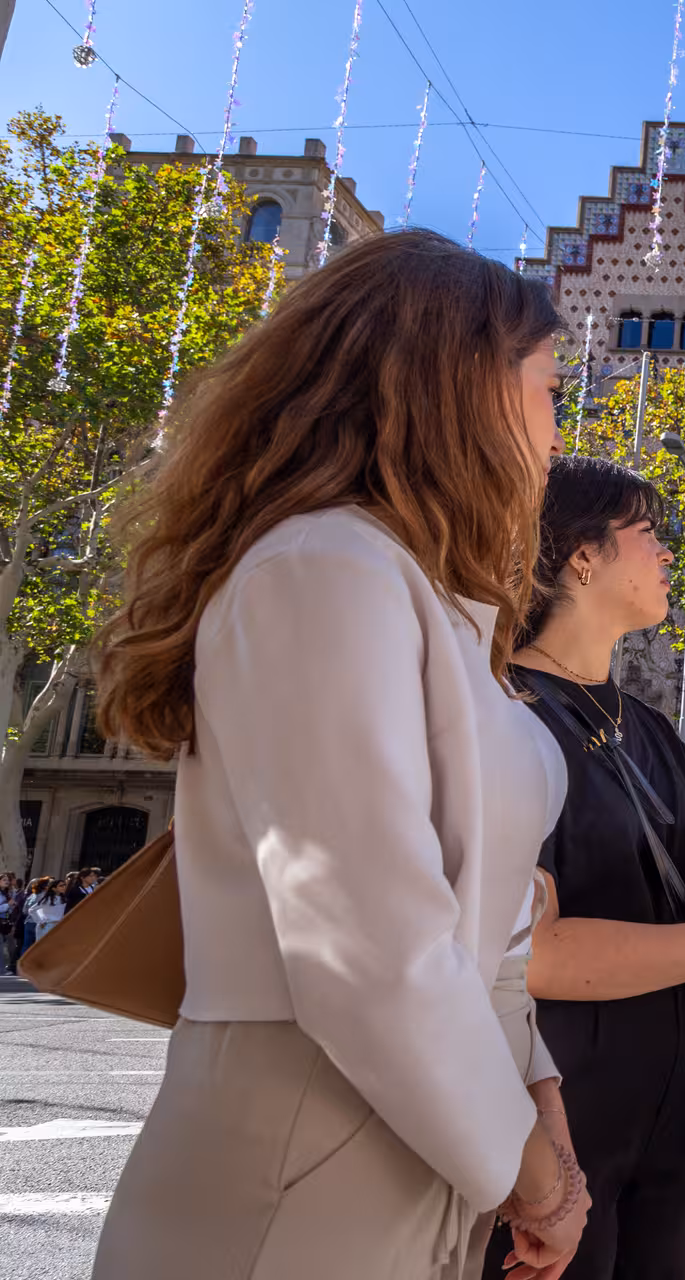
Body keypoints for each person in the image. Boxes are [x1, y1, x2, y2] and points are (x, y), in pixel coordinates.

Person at [88, 229, 590, 1280]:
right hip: (302, 1157)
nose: (558, 432)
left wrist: (538, 1106)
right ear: (460, 389)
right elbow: (366, 949)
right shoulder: (322, 566)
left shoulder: (436, 597)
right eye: (550, 389)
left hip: (439, 1148)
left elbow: (490, 932)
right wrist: (535, 1177)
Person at [491, 454, 685, 1280]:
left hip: (668, 1110)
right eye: (647, 533)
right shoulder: (499, 715)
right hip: (547, 1113)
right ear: (579, 556)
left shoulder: (652, 729)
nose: (667, 552)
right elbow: (529, 953)